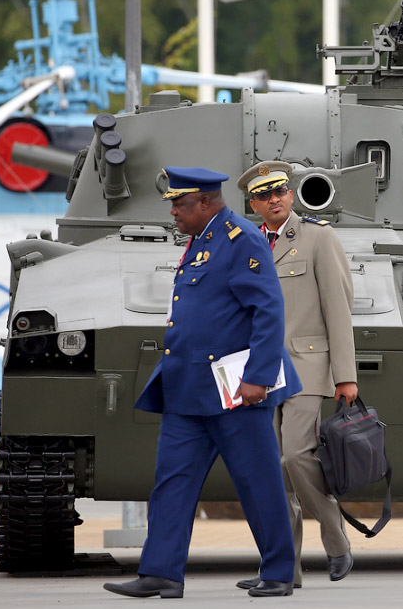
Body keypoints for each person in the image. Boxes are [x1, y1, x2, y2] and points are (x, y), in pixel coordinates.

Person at [104, 166, 301, 599]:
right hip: (188, 389)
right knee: (172, 483)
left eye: (180, 203)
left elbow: (268, 310)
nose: (174, 211)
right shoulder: (200, 240)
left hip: (236, 391)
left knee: (258, 482)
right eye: (174, 203)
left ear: (206, 202)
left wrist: (260, 377)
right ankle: (161, 572)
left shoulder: (241, 239)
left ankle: (279, 570)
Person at [234, 161, 358, 589]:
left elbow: (338, 308)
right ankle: (283, 570)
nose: (274, 200)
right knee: (269, 471)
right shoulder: (245, 243)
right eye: (264, 196)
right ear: (252, 203)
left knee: (295, 456)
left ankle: (336, 538)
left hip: (304, 367)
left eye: (280, 192)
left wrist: (345, 375)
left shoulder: (318, 237)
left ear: (290, 194)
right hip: (256, 373)